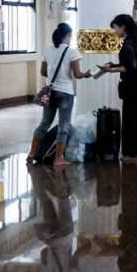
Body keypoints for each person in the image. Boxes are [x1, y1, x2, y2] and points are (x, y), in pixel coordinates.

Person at [28, 23, 91, 167]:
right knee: (64, 125)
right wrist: (86, 74)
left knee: (44, 123)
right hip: (65, 92)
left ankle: (31, 153)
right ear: (67, 36)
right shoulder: (72, 52)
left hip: (51, 92)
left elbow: (43, 72)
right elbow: (77, 74)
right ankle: (58, 158)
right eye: (70, 36)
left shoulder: (48, 50)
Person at [100, 14, 137, 163]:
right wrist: (113, 66)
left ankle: (132, 154)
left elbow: (129, 68)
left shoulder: (128, 44)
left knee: (130, 118)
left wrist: (110, 69)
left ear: (123, 27)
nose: (115, 32)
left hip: (131, 87)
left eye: (115, 28)